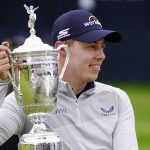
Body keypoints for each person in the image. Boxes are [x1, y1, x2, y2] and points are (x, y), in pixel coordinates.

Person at [0, 9, 138, 150]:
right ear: (62, 49)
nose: (101, 55)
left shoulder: (117, 98)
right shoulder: (24, 98)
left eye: (102, 47)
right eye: (92, 46)